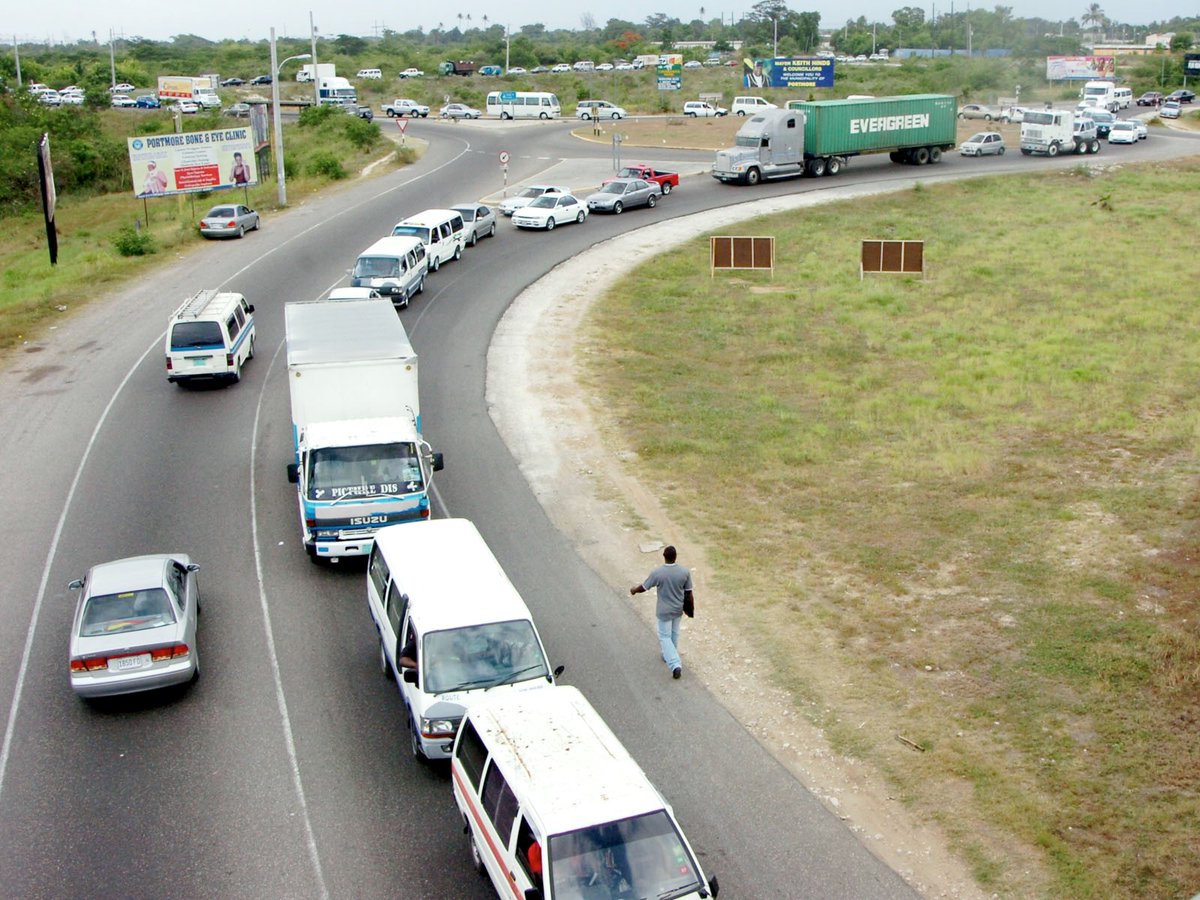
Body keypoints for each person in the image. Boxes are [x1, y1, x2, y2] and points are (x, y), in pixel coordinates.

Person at [631, 545, 694, 679]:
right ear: (675, 556)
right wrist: (690, 610)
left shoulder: (658, 573)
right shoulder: (684, 572)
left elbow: (644, 587)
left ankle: (675, 664)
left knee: (665, 637)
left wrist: (634, 590)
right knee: (674, 634)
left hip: (663, 612)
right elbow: (689, 593)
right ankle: (668, 655)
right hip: (678, 610)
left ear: (664, 557)